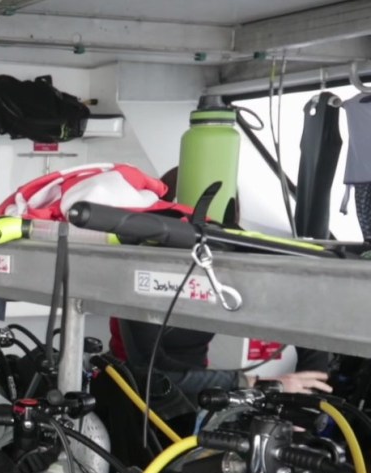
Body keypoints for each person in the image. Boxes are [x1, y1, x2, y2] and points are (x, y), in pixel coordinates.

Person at [110, 167, 332, 400]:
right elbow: (152, 370)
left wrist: (307, 401)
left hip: (197, 392)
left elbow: (306, 317)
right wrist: (253, 383)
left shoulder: (226, 260)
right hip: (131, 393)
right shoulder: (139, 267)